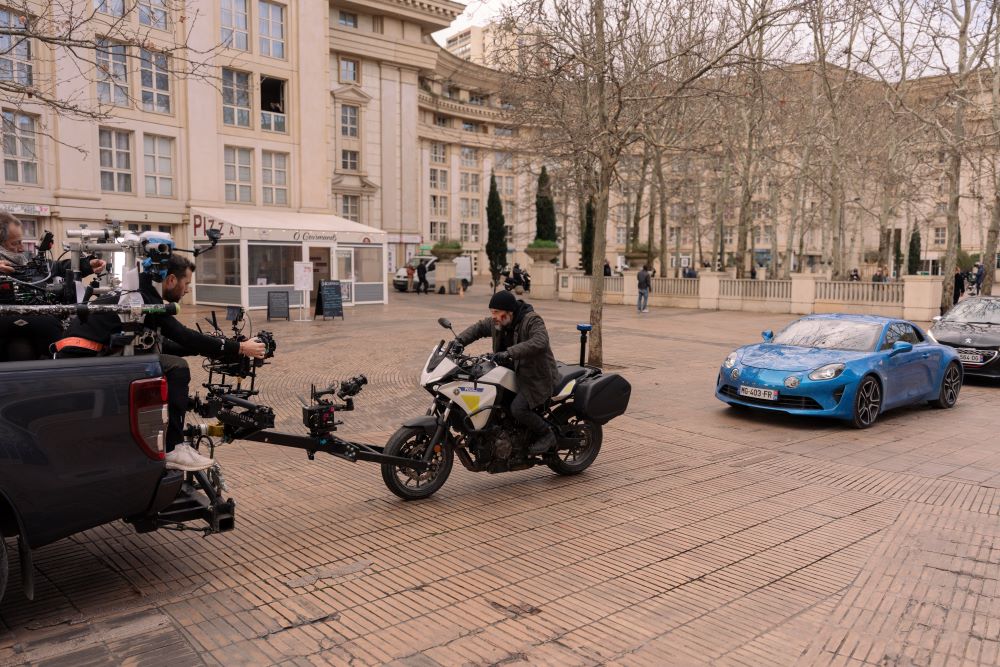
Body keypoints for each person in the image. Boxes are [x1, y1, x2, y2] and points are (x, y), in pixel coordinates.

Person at [55, 254, 267, 471]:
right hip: (85, 360)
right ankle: (172, 447)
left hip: (81, 356)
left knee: (164, 360)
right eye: (186, 284)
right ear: (172, 280)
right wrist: (239, 348)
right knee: (177, 367)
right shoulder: (144, 298)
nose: (187, 290)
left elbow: (164, 343)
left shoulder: (139, 290)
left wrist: (216, 348)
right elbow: (182, 335)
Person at [456, 290, 559, 455]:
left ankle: (547, 434)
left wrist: (509, 353)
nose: (494, 316)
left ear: (509, 311)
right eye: (492, 312)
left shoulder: (531, 320)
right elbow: (479, 328)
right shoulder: (500, 322)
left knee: (518, 409)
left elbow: (540, 341)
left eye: (496, 312)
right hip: (512, 374)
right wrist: (459, 341)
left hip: (536, 377)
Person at [0, 214, 106, 361]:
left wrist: (87, 264)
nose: (21, 248)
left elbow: (58, 267)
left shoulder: (29, 263)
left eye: (21, 242)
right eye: (14, 243)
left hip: (41, 337)